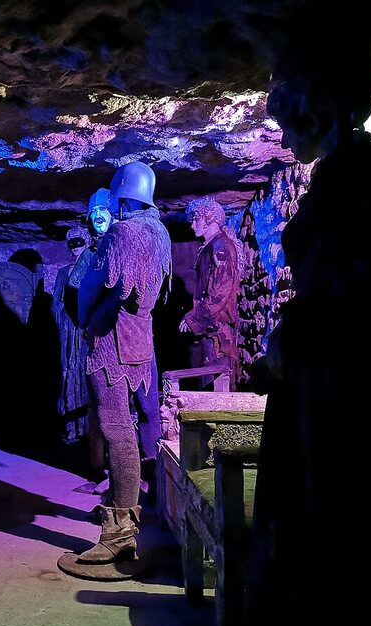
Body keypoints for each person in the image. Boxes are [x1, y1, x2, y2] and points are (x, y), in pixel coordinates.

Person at [244, 39, 371, 626]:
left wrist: (295, 331)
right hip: (334, 370)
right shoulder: (353, 172)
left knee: (328, 519)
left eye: (289, 113)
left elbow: (358, 280)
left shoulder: (358, 177)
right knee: (319, 515)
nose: (283, 130)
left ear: (317, 108)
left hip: (343, 380)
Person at [77, 161, 171, 570]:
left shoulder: (122, 232)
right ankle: (125, 516)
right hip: (140, 341)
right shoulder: (161, 233)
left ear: (125, 193)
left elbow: (93, 286)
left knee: (117, 432)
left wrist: (84, 318)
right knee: (127, 431)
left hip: (110, 341)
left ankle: (119, 535)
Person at [179, 197, 241, 384]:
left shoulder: (220, 247)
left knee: (217, 388)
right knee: (208, 384)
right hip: (211, 331)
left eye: (196, 219)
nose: (192, 225)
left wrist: (194, 318)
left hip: (218, 333)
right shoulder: (211, 247)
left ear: (210, 219)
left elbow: (220, 293)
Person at [52, 225, 92, 443]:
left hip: (86, 329)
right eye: (72, 243)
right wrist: (62, 319)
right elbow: (56, 301)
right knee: (69, 371)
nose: (75, 247)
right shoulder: (63, 272)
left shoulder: (92, 267)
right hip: (69, 330)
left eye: (79, 242)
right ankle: (71, 426)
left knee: (87, 372)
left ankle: (88, 426)